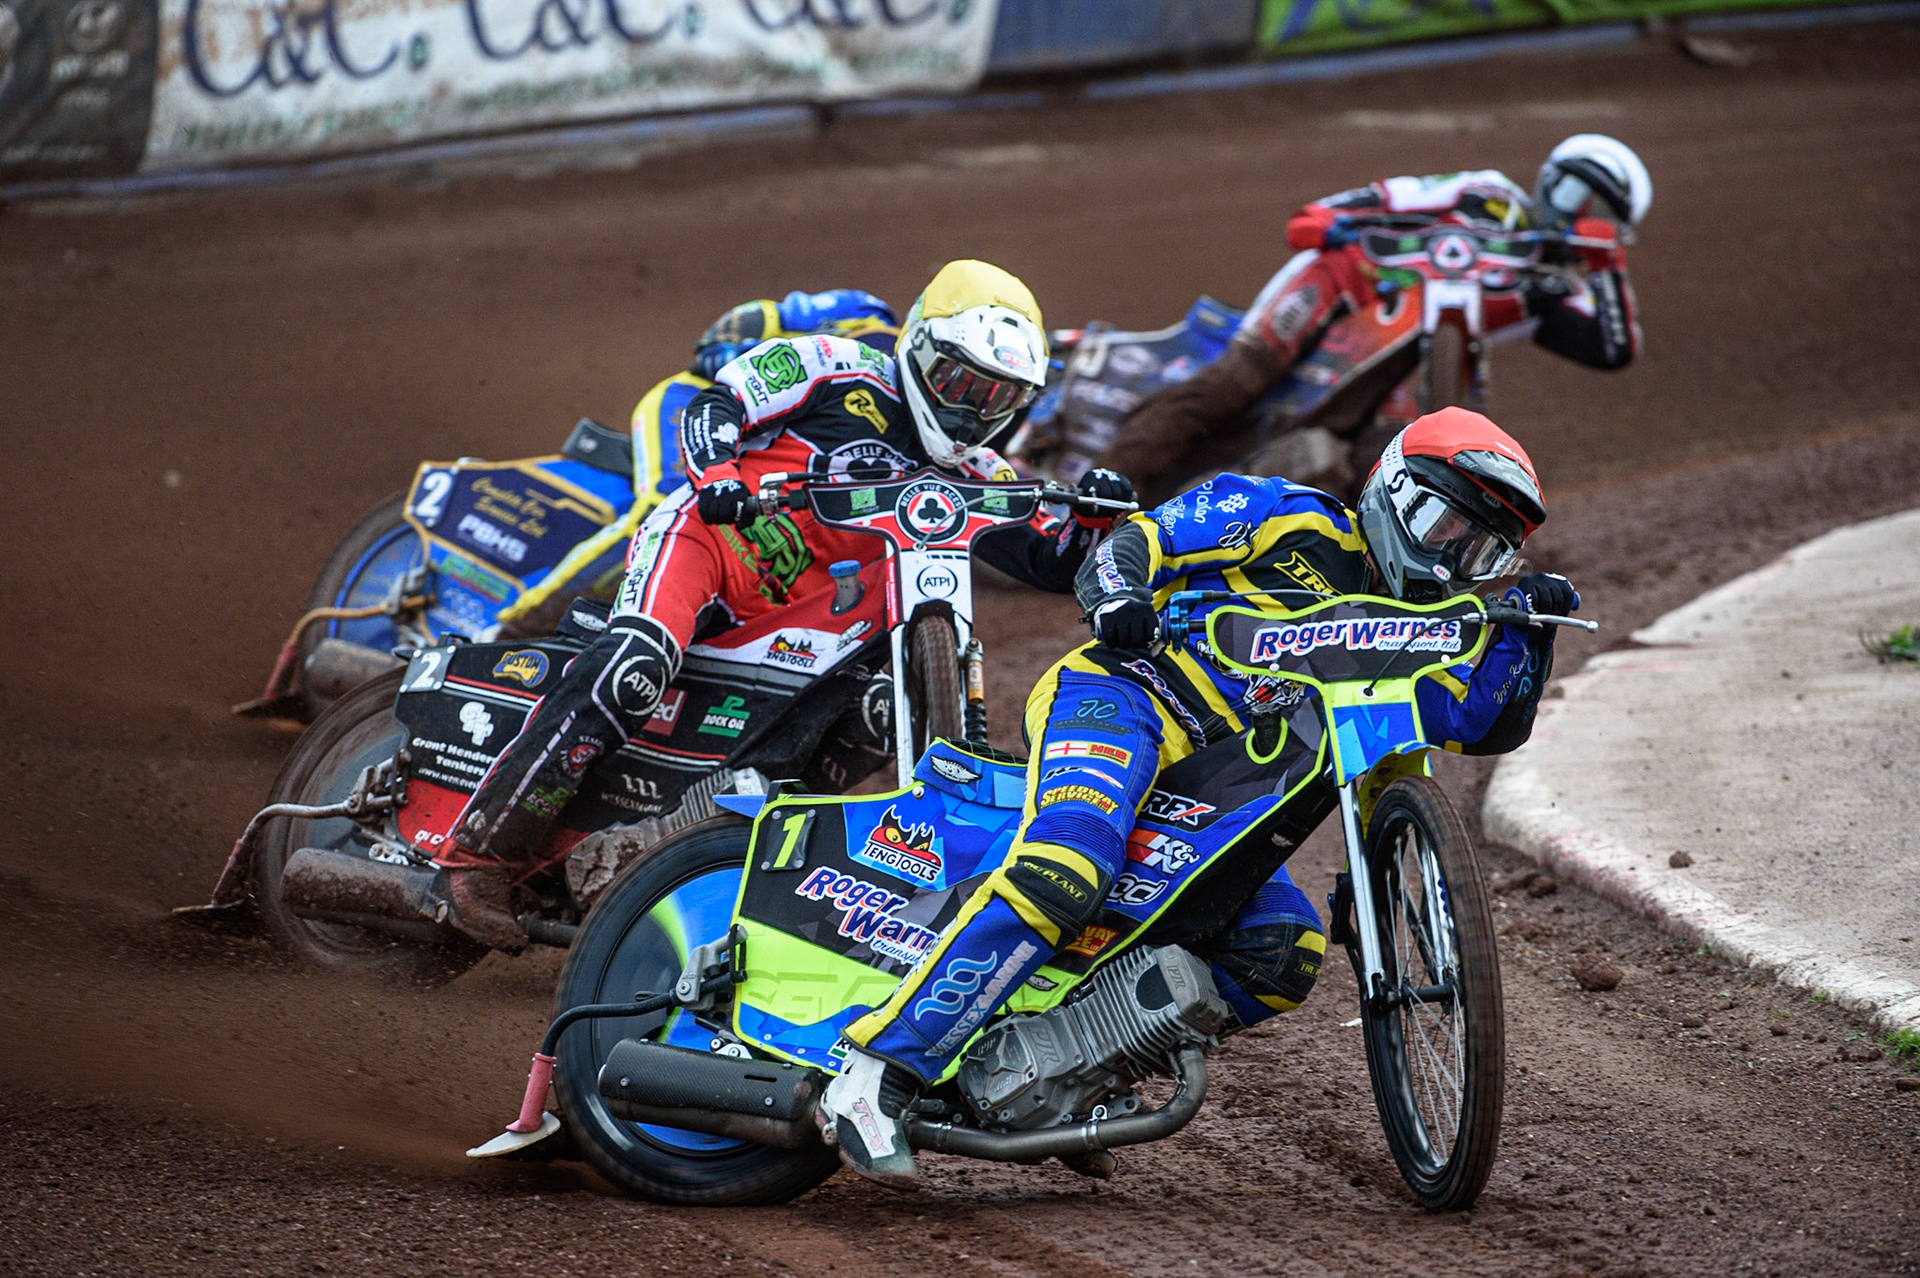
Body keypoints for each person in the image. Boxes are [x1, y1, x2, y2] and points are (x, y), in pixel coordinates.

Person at [816, 406, 1579, 1182]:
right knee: (1068, 867)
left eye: (1480, 549)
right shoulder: (1283, 513)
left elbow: (1477, 722)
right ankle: (877, 1076)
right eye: (1442, 523)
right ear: (1390, 487)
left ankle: (1060, 1079)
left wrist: (1527, 632)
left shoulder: (1427, 623)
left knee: (1283, 950)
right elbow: (1139, 539)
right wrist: (1117, 595)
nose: (1451, 558)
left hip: (1219, 789)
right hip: (1124, 699)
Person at [435, 261, 1136, 951]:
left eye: (998, 400)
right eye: (961, 385)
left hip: (807, 618)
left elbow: (1053, 558)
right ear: (920, 348)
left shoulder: (978, 475)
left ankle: (703, 848)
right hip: (712, 545)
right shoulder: (835, 365)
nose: (971, 412)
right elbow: (718, 404)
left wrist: (1098, 521)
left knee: (873, 715)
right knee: (633, 668)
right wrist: (715, 477)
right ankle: (479, 856)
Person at [1103, 134, 1650, 500]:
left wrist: (1609, 266)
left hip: (1390, 360)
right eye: (1584, 197)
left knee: (1380, 461)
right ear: (1556, 178)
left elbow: (1612, 350)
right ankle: (1090, 506)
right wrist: (1335, 225)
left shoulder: (1547, 288)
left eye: (1603, 216)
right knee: (1231, 388)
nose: (1583, 218)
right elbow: (1317, 219)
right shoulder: (1483, 195)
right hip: (1333, 289)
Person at [494, 290, 902, 638]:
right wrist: (736, 358)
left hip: (761, 444)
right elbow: (745, 323)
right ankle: (515, 627)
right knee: (667, 500)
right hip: (705, 403)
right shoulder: (861, 311)